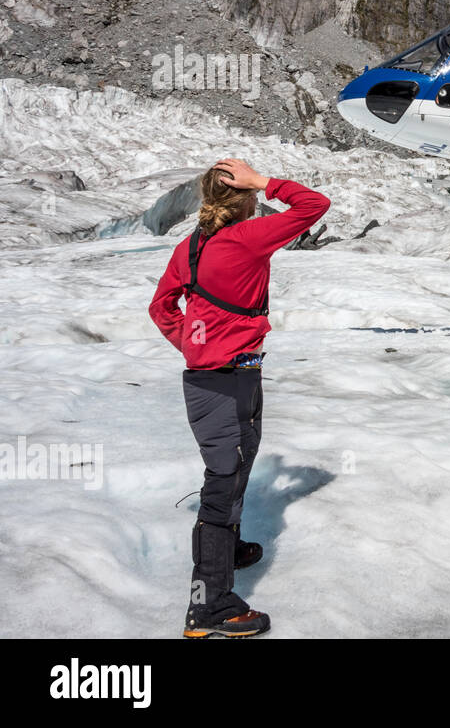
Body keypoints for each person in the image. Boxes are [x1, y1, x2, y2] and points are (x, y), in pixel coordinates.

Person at [149, 158, 330, 638]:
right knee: (222, 483)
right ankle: (208, 607)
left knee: (239, 465)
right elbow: (314, 205)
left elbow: (161, 305)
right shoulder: (246, 238)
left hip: (229, 376)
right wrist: (263, 180)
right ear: (245, 199)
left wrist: (193, 341)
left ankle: (225, 553)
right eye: (253, 194)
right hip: (224, 382)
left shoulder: (191, 247)